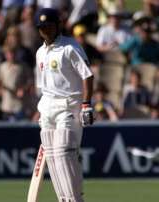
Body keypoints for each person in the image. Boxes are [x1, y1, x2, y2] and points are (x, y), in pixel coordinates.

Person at [34, 8, 94, 202]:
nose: (46, 31)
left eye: (49, 27)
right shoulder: (40, 53)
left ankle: (75, 199)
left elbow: (87, 75)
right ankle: (65, 198)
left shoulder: (70, 47)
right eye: (42, 28)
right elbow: (43, 86)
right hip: (48, 107)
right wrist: (41, 110)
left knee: (64, 152)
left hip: (69, 105)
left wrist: (86, 104)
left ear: (58, 25)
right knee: (52, 157)